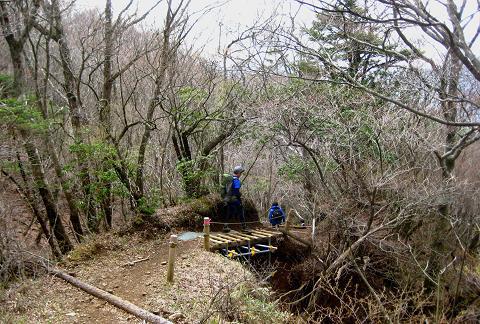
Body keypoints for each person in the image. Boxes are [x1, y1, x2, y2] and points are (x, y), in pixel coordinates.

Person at [222, 165, 248, 233]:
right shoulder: (236, 180)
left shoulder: (230, 179)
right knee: (240, 211)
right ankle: (244, 227)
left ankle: (225, 226)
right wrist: (239, 197)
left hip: (227, 199)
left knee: (229, 212)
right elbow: (236, 191)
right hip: (234, 199)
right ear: (238, 173)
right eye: (241, 173)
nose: (241, 174)